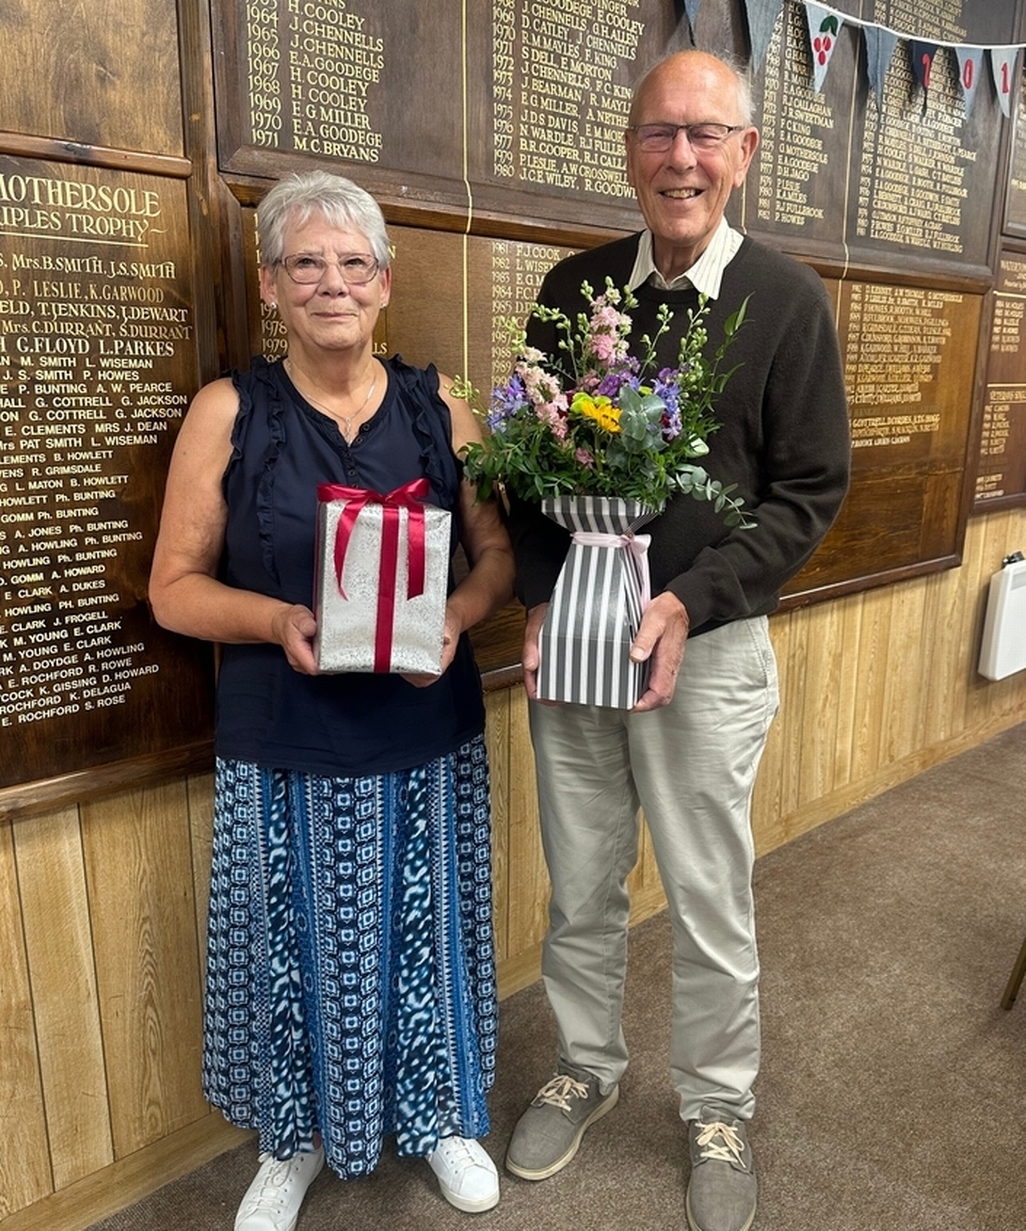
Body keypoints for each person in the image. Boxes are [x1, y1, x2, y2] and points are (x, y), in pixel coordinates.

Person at [503, 50, 850, 1231]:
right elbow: (528, 463)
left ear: (744, 154)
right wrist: (542, 594)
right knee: (581, 878)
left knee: (708, 894)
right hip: (577, 646)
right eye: (660, 133)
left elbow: (810, 491)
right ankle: (585, 1064)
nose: (682, 158)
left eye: (707, 136)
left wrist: (691, 598)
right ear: (630, 151)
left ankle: (716, 1104)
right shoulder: (574, 289)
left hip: (706, 650)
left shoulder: (787, 302)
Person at [149, 170, 514, 1228]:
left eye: (354, 263)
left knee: (427, 933)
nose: (332, 284)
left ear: (385, 282)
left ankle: (440, 1116)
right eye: (305, 263)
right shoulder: (229, 412)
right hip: (284, 734)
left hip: (423, 725)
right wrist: (277, 622)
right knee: (290, 951)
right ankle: (291, 1140)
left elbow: (497, 557)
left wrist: (456, 618)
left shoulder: (441, 409)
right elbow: (173, 588)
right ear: (270, 284)